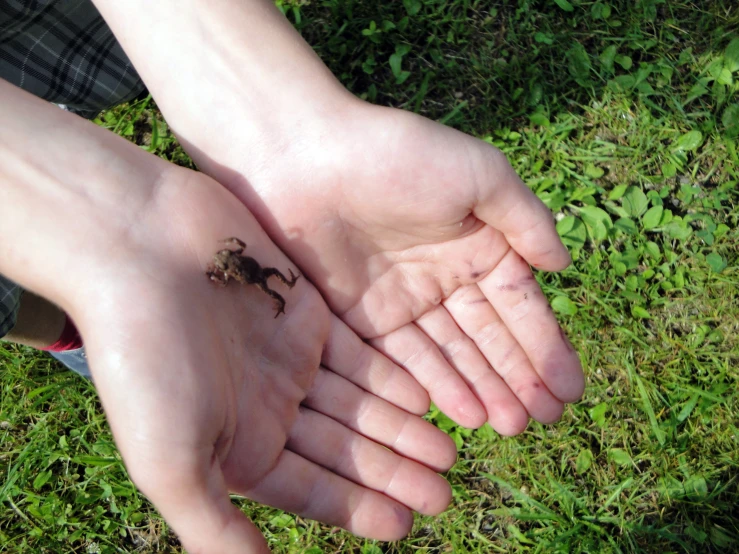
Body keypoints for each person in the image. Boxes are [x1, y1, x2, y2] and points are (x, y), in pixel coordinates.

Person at [0, 1, 585, 552]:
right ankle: (72, 329)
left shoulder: (249, 274)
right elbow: (230, 264)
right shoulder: (229, 269)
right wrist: (96, 235)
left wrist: (270, 114)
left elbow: (258, 274)